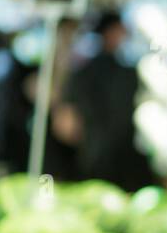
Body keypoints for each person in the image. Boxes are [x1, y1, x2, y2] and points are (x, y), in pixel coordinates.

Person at [55, 12, 153, 190]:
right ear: (110, 32)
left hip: (96, 153)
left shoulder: (86, 70)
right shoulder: (121, 72)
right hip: (108, 152)